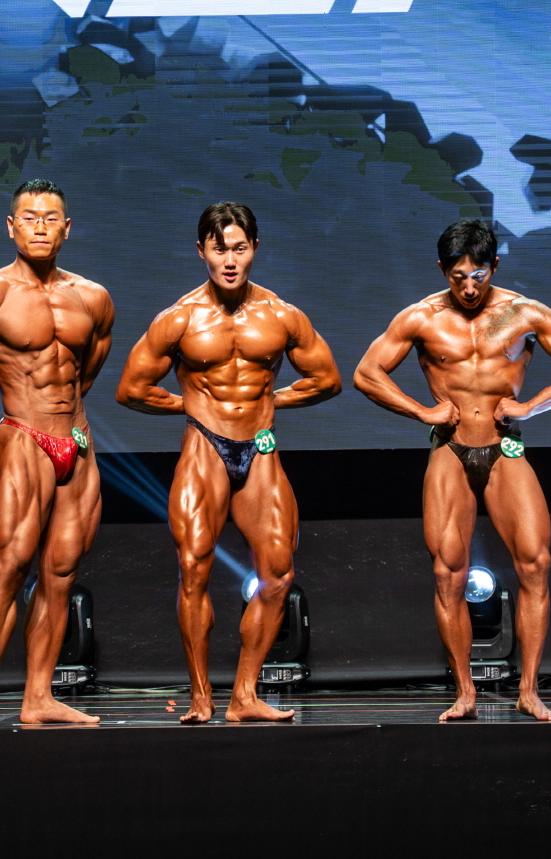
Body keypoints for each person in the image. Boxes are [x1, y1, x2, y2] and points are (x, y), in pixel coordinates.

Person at [354, 219, 551, 722]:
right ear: (442, 269)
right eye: (458, 276)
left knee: (535, 564)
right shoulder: (421, 317)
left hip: (505, 447)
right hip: (450, 448)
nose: (469, 287)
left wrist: (531, 406)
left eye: (479, 276)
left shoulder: (524, 312)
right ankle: (465, 693)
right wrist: (421, 412)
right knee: (448, 572)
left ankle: (528, 691)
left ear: (495, 267)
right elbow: (366, 373)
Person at [116, 202, 342, 723]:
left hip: (259, 447)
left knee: (278, 574)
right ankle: (201, 695)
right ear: (202, 251)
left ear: (255, 248)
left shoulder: (282, 315)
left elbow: (327, 380)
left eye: (239, 248)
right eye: (220, 250)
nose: (230, 260)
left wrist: (268, 401)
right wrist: (194, 407)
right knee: (194, 567)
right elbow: (131, 389)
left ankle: (244, 695)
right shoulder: (179, 319)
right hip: (204, 447)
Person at [0, 180, 114, 728]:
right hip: (23, 434)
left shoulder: (93, 298)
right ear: (11, 226)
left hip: (77, 440)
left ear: (66, 229)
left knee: (61, 571)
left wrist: (65, 415)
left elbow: (87, 370)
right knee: (11, 564)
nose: (40, 226)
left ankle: (39, 696)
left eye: (50, 218)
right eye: (29, 217)